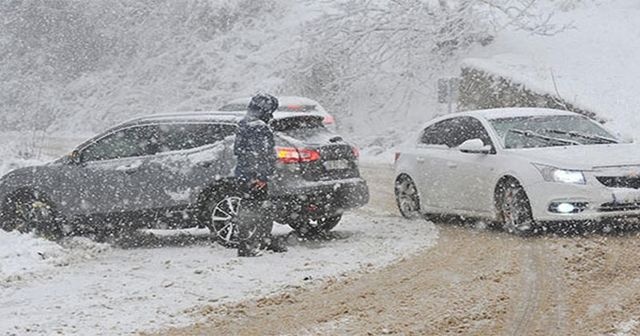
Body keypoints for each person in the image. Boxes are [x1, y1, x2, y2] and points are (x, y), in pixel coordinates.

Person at [233, 93, 287, 257]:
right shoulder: (258, 126)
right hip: (254, 176)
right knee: (253, 209)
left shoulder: (245, 123)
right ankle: (247, 245)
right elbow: (260, 154)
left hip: (245, 173)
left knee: (258, 208)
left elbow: (239, 150)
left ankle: (259, 241)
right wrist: (261, 176)